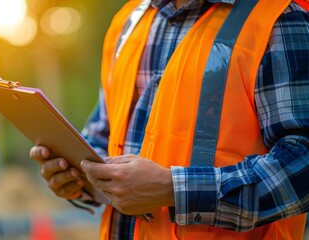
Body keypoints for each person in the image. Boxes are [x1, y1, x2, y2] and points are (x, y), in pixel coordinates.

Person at [30, 0, 309, 239]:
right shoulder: (128, 21)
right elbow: (103, 136)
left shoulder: (279, 20)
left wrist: (175, 190)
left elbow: (303, 163)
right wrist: (76, 175)